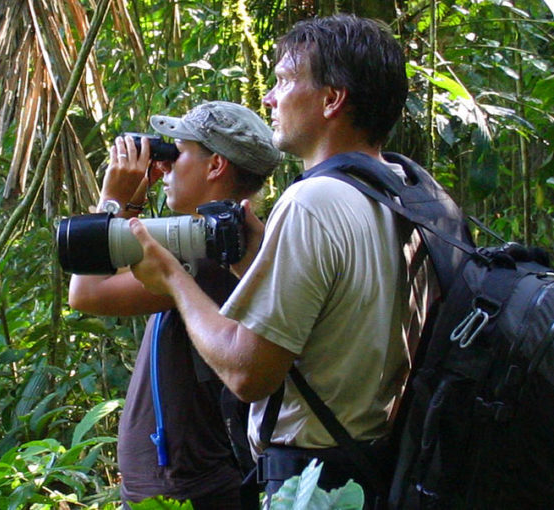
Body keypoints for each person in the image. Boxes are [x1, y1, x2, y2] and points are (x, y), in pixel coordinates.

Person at [127, 14, 434, 508]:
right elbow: (338, 335)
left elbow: (248, 374)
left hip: (313, 482)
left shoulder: (313, 201)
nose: (270, 98)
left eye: (286, 80)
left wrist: (170, 277)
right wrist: (253, 262)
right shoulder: (409, 191)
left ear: (332, 100)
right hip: (379, 469)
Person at [68, 101, 282, 508]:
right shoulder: (229, 241)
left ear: (215, 166)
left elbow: (86, 292)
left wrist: (114, 200)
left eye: (176, 153)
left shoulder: (214, 252)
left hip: (189, 490)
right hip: (187, 485)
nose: (164, 167)